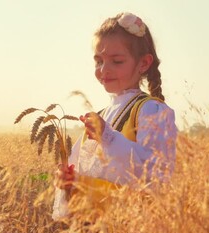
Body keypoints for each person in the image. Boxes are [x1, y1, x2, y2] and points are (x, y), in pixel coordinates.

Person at [53, 12, 178, 220]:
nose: (104, 70)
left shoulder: (150, 110)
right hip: (96, 229)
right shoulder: (99, 117)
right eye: (98, 61)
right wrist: (68, 183)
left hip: (135, 229)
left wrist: (109, 138)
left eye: (117, 61)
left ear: (144, 64)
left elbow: (156, 175)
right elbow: (87, 178)